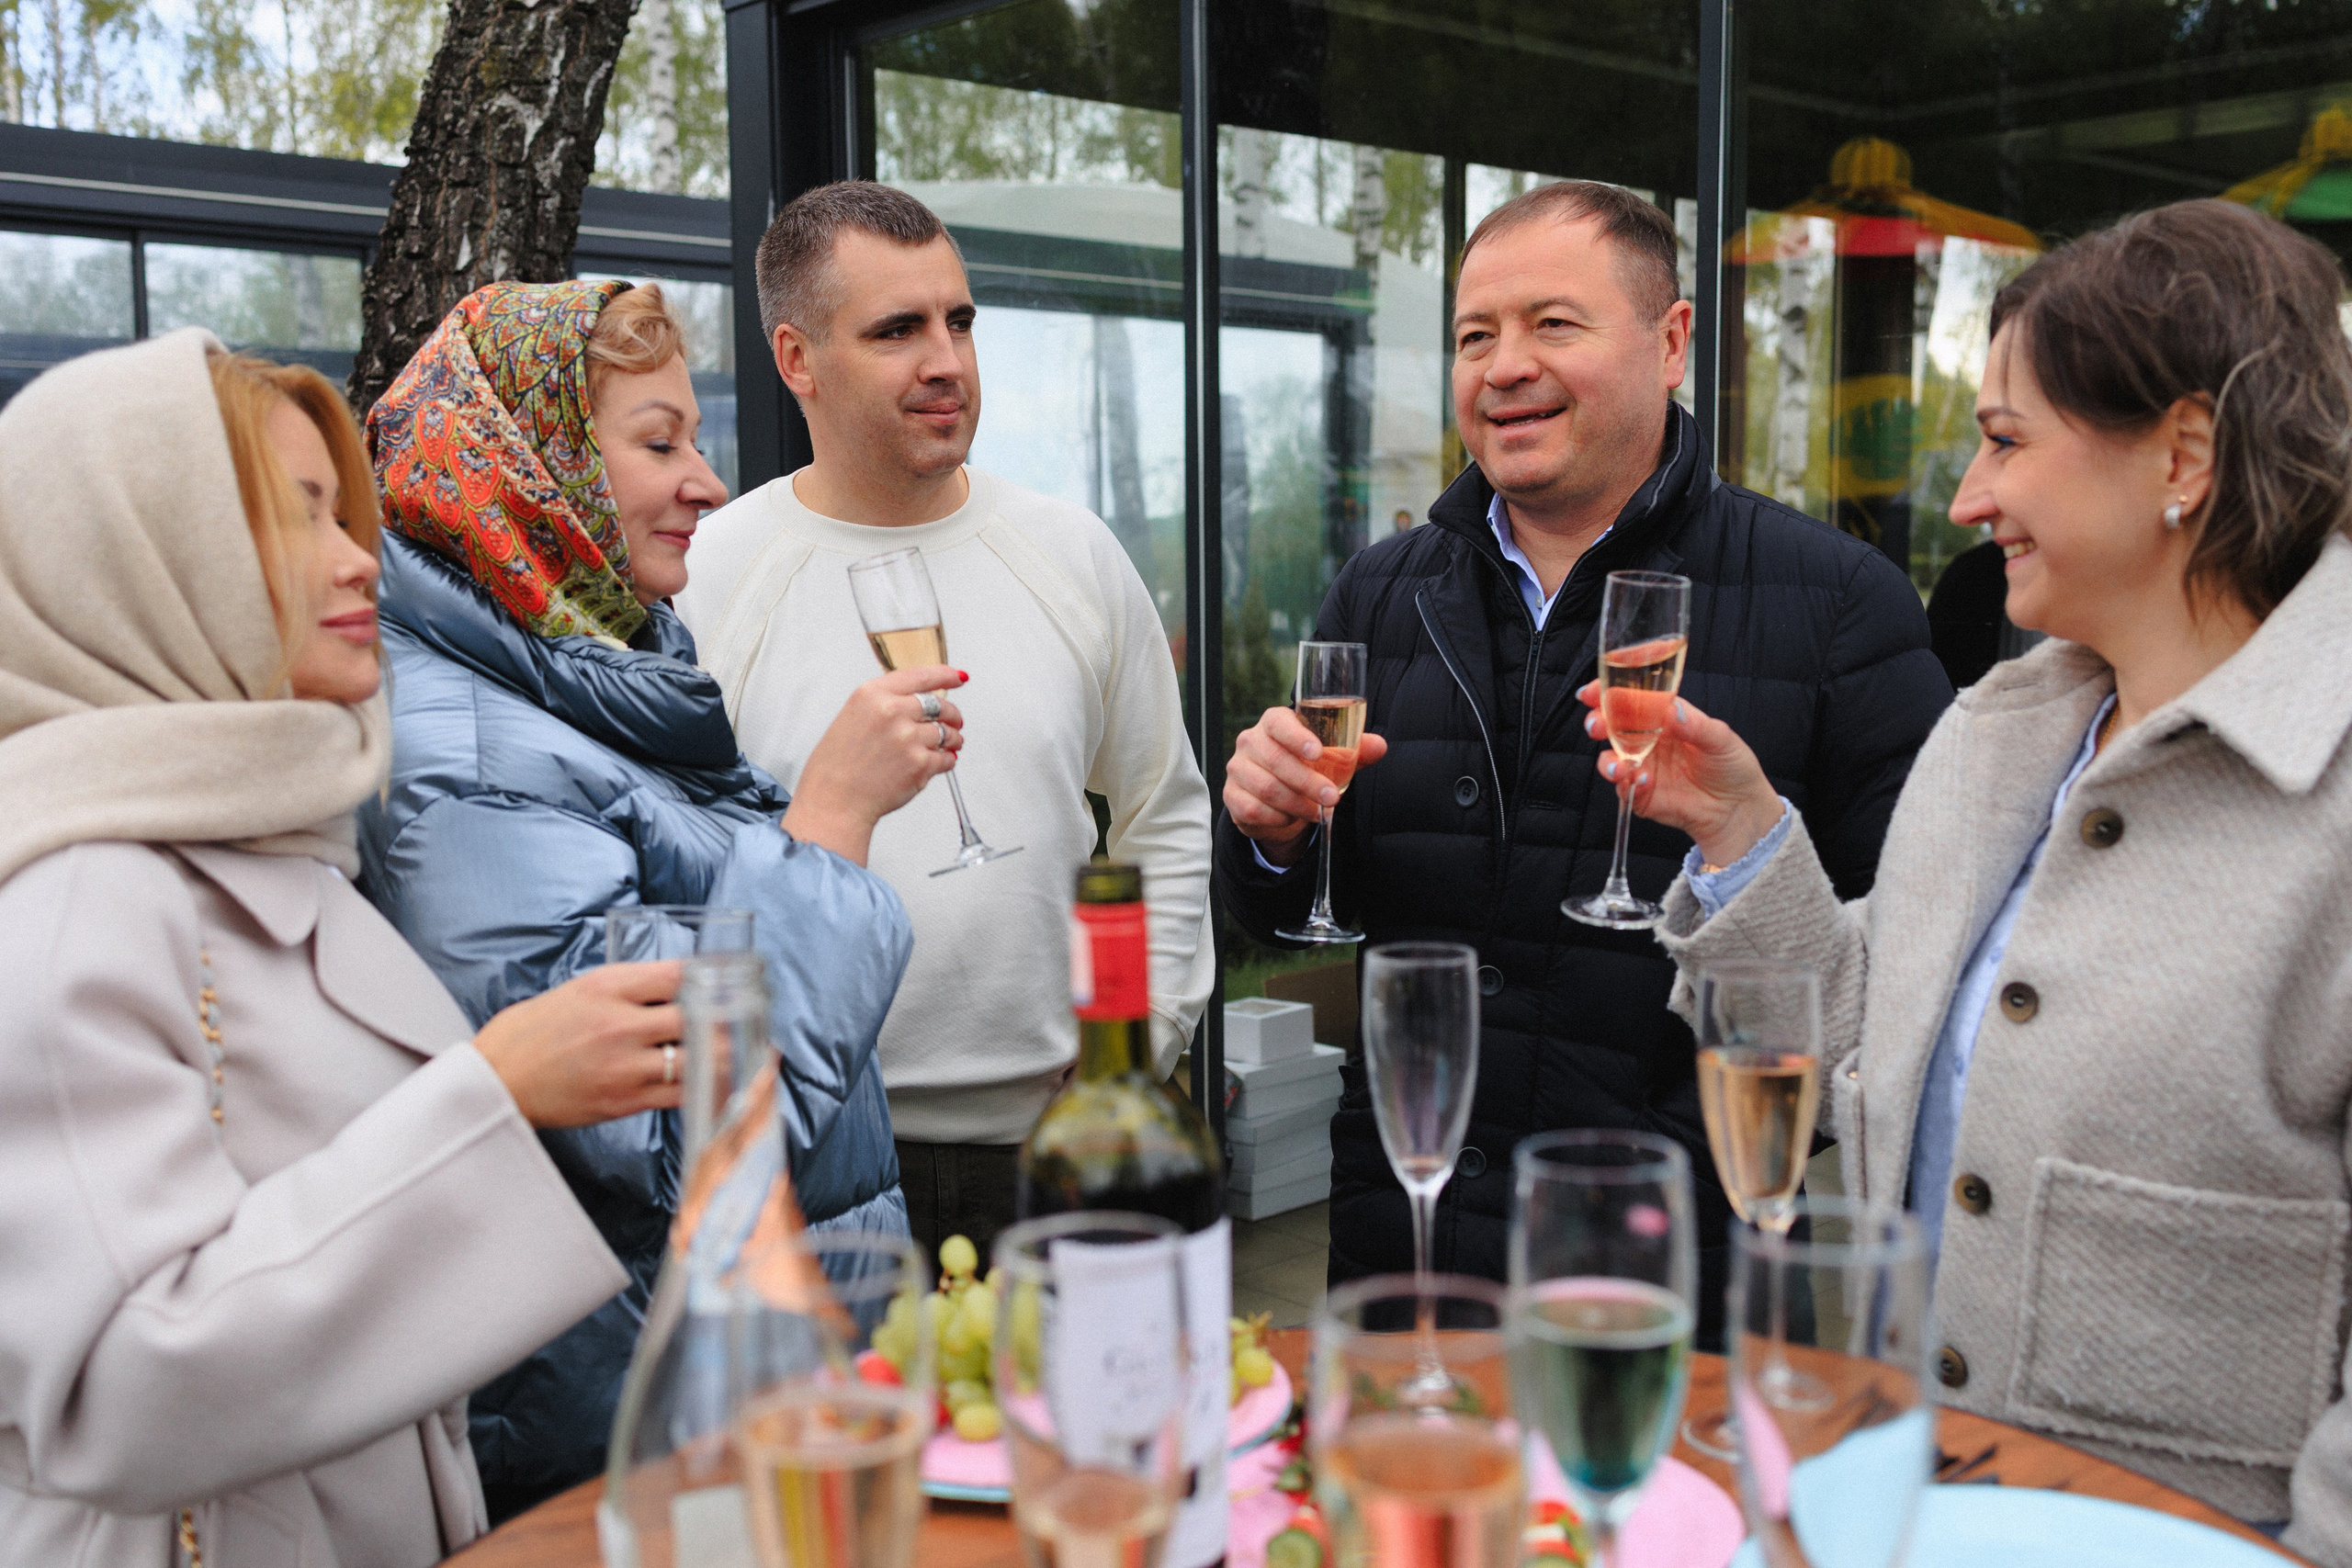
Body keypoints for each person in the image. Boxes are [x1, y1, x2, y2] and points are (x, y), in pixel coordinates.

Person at [1617, 199, 2352, 1555]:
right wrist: (1739, 832)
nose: (1966, 498)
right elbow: (1854, 1044)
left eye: (2006, 439)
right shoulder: (1999, 735)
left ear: (2183, 451)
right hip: (1907, 1508)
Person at [0, 332, 688, 1567]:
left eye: (343, 509)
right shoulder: (80, 897)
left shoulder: (268, 843)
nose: (353, 556)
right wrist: (496, 1090)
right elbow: (114, 1384)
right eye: (290, 515)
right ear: (140, 558)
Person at [1216, 180, 1952, 1325]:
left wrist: (1745, 848)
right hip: (1404, 1250)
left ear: (1670, 343)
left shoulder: (1839, 605)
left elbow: (1895, 988)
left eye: (1552, 324)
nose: (1503, 366)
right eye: (1474, 336)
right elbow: (1306, 913)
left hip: (1674, 1281)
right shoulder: (1379, 588)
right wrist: (1268, 837)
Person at [359, 278, 947, 1519]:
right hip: (644, 1443)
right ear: (532, 471)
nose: (709, 481)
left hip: (734, 1398)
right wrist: (828, 828)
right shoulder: (464, 757)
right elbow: (683, 1144)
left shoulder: (589, 678)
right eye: (659, 441)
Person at [677, 181, 1214, 1266]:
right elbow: (673, 873)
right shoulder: (706, 578)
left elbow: (1165, 815)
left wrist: (1138, 1047)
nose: (947, 361)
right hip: (823, 1158)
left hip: (1067, 1145)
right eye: (897, 331)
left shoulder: (1069, 549)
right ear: (796, 359)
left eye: (959, 321)